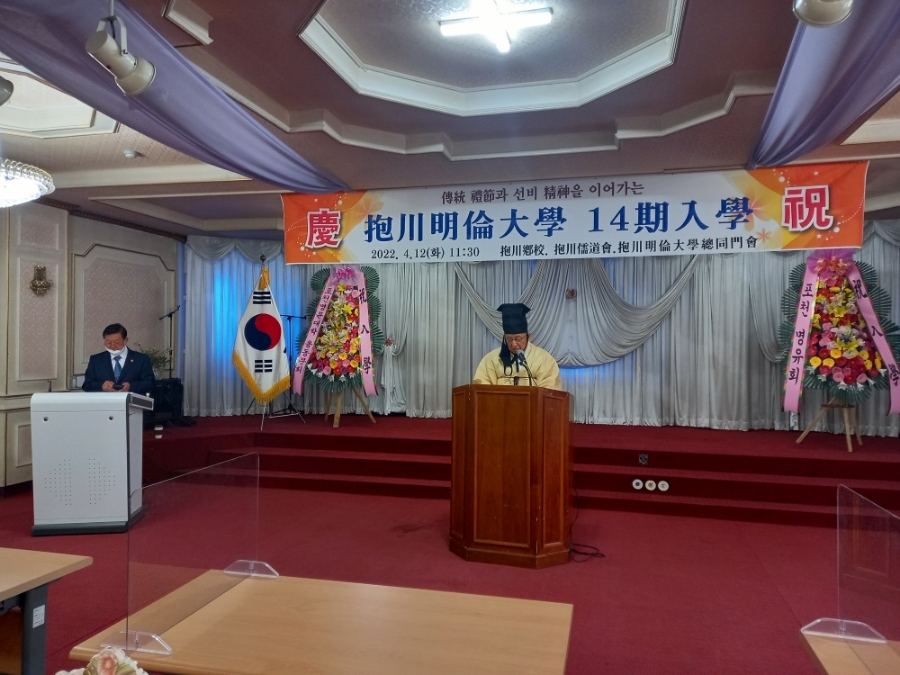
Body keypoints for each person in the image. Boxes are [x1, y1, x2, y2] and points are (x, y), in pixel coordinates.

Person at [473, 303, 562, 390]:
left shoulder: (544, 360)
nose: (514, 344)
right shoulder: (490, 360)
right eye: (509, 339)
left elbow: (549, 391)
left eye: (518, 339)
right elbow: (481, 389)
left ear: (528, 336)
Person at [82, 323, 155, 395]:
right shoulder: (96, 360)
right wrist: (102, 386)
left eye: (116, 342)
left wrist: (131, 386)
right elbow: (87, 385)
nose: (112, 346)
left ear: (126, 340)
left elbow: (150, 383)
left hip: (132, 401)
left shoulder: (141, 359)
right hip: (105, 401)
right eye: (108, 343)